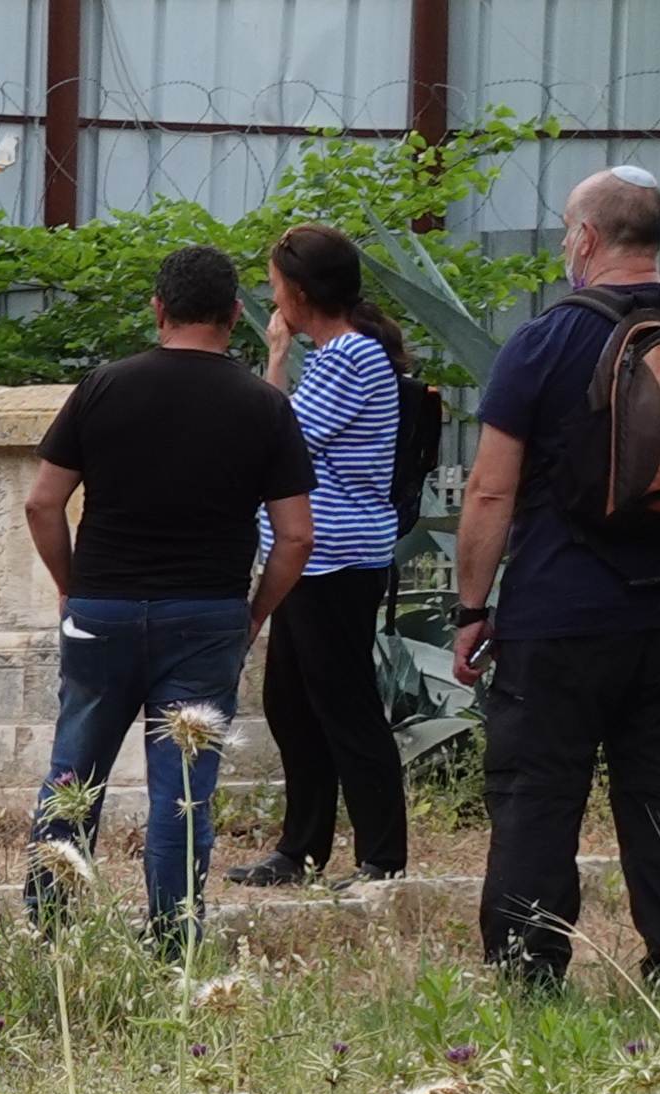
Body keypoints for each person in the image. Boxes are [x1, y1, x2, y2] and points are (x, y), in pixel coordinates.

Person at [451, 166, 660, 985]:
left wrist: (468, 609)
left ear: (587, 237)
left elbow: (489, 488)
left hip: (559, 616)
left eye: (566, 231)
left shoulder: (542, 341)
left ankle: (527, 970)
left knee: (538, 793)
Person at [18, 244, 315, 951]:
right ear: (234, 316)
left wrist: (70, 586)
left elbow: (41, 503)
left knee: (72, 772)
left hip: (103, 609)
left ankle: (49, 930)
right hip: (206, 612)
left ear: (156, 309)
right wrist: (251, 614)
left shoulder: (102, 387)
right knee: (182, 793)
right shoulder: (263, 406)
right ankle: (172, 940)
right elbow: (296, 537)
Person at [228, 224, 413, 889]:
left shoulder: (349, 357)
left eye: (275, 283)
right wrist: (279, 359)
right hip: (311, 557)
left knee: (342, 705)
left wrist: (274, 361)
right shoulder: (343, 355)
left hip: (333, 557)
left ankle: (381, 855)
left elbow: (280, 439)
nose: (270, 295)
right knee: (291, 703)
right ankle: (299, 849)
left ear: (300, 292)